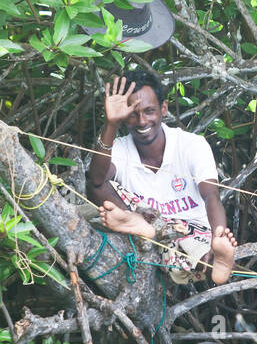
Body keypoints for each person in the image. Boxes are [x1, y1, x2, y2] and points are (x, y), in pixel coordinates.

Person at [86, 67, 237, 284]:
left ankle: (212, 256)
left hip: (190, 229)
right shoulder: (120, 148)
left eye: (149, 111)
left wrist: (218, 236)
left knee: (195, 254)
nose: (141, 121)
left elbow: (210, 196)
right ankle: (139, 223)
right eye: (132, 114)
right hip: (141, 218)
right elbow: (96, 182)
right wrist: (111, 124)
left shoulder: (191, 145)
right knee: (95, 189)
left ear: (163, 108)